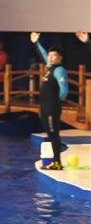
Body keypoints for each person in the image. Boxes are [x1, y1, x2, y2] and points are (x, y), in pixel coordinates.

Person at [31, 32, 68, 170]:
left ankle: (57, 162)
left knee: (54, 134)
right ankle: (55, 161)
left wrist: (56, 102)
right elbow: (43, 54)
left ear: (60, 58)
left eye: (54, 55)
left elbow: (64, 90)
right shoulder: (49, 68)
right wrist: (36, 43)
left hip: (52, 107)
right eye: (50, 55)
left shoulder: (59, 70)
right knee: (50, 133)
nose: (51, 57)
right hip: (45, 107)